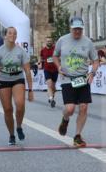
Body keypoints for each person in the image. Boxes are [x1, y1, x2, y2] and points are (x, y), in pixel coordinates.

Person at [54, 17, 99, 148]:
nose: (77, 31)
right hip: (67, 78)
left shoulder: (88, 42)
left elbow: (95, 61)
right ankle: (65, 119)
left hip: (83, 78)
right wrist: (58, 67)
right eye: (75, 29)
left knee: (84, 107)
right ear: (71, 28)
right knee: (70, 109)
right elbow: (55, 55)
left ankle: (77, 136)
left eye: (79, 29)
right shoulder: (62, 40)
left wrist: (93, 72)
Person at [0, 27, 34, 146]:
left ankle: (19, 126)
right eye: (10, 33)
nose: (12, 35)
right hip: (3, 79)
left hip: (17, 78)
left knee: (20, 105)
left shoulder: (20, 51)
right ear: (5, 36)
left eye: (15, 33)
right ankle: (11, 135)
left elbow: (27, 70)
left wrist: (30, 90)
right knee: (8, 109)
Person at [40, 36, 60, 108]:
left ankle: (51, 97)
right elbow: (41, 58)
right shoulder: (43, 50)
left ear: (52, 42)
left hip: (55, 70)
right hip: (47, 69)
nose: (49, 42)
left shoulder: (56, 49)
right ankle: (51, 99)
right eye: (48, 41)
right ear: (46, 42)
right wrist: (40, 63)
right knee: (49, 84)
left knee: (53, 87)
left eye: (50, 41)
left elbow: (59, 57)